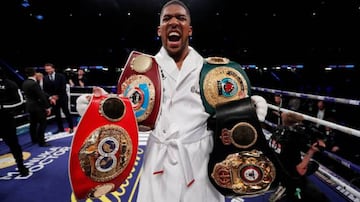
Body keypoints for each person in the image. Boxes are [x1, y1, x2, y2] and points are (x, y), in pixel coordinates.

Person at [268, 112, 330, 201]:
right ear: (296, 125)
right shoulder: (292, 140)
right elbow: (300, 170)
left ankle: (284, 188)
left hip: (278, 171)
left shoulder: (277, 131)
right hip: (291, 177)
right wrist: (311, 151)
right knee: (314, 166)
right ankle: (291, 192)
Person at [0, 66, 29, 176]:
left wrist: (2, 107)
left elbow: (20, 101)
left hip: (6, 120)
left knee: (14, 144)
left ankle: (21, 166)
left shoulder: (10, 84)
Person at [22, 67, 52, 147]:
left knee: (33, 124)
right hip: (37, 107)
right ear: (35, 73)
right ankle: (41, 141)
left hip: (29, 106)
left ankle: (34, 139)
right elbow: (41, 96)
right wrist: (47, 107)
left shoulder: (25, 82)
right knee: (43, 123)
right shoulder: (34, 83)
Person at [42, 62, 74, 134]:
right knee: (57, 114)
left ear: (53, 69)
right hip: (53, 100)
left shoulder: (60, 76)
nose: (48, 71)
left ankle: (71, 127)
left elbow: (63, 87)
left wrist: (57, 96)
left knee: (66, 112)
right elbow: (45, 90)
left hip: (62, 97)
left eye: (49, 69)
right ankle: (60, 128)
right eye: (46, 69)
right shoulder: (45, 78)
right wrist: (51, 97)